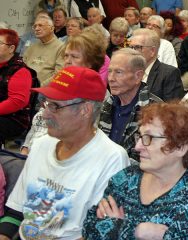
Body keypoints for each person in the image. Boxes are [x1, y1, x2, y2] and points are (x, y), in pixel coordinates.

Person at [0, 66, 129, 239]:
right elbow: (16, 212)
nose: (45, 114)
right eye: (45, 103)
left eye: (55, 106)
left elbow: (99, 231)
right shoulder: (41, 145)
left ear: (85, 110)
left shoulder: (112, 158)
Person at [82, 103, 188, 239]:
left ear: (180, 147)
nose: (137, 146)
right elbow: (90, 226)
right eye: (139, 136)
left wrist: (116, 228)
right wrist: (140, 231)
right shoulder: (126, 179)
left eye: (149, 138)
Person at [99, 48, 161, 159]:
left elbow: (155, 159)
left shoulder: (156, 111)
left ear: (138, 76)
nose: (111, 79)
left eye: (118, 72)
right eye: (109, 71)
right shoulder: (106, 105)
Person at [129, 29, 183, 101]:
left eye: (137, 47)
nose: (132, 52)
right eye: (131, 47)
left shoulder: (169, 74)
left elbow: (171, 109)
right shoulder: (128, 71)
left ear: (152, 51)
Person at [0, 29, 35, 142]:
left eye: (0, 43)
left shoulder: (20, 70)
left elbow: (17, 102)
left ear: (11, 48)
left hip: (13, 118)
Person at [23, 15, 64, 86]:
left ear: (51, 28)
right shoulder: (32, 46)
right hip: (25, 86)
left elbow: (59, 75)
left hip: (44, 90)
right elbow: (22, 67)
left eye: (40, 25)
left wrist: (38, 87)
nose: (37, 29)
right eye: (35, 26)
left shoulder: (61, 47)